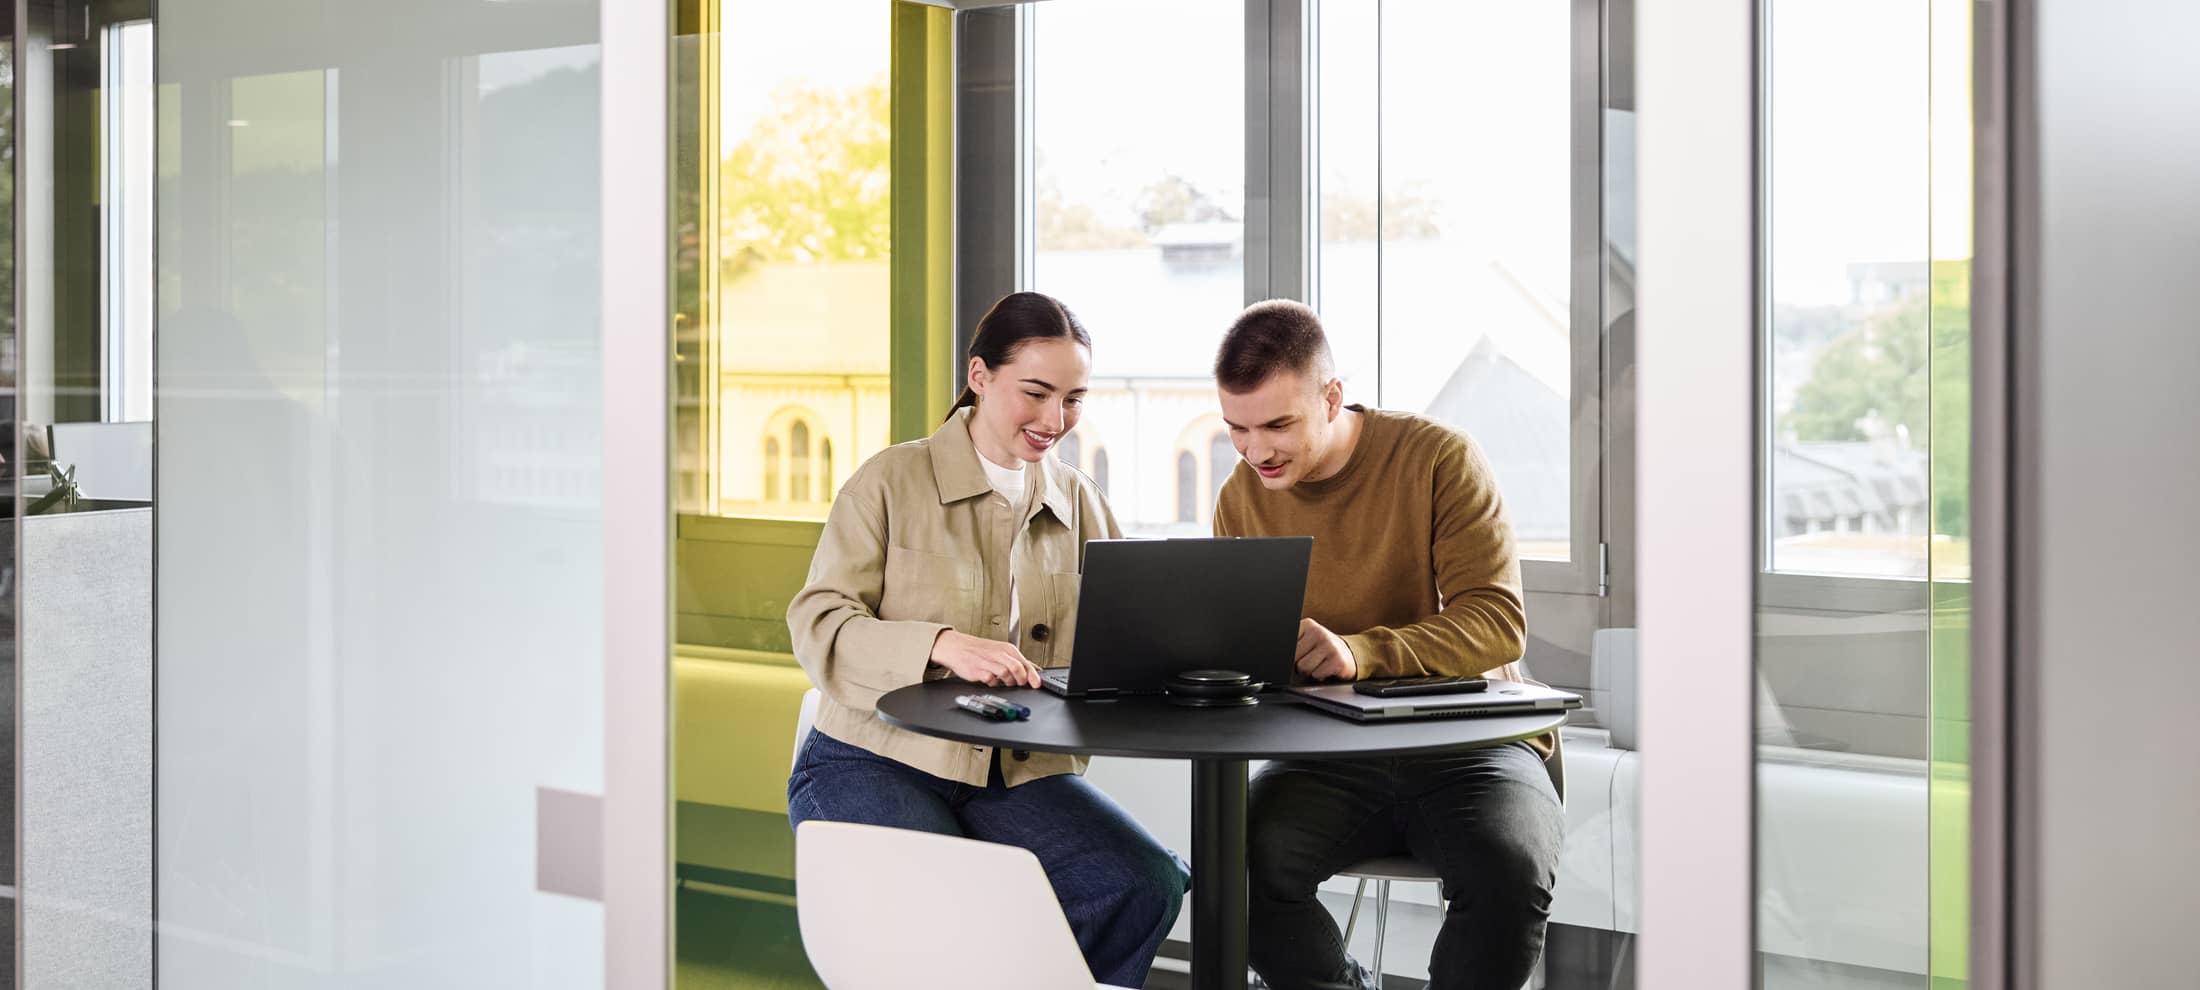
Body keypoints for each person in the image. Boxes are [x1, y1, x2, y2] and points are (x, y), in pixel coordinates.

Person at [785, 291, 1188, 987]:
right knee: (956, 910)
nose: (1054, 420)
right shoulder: (889, 481)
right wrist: (939, 643)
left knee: (1140, 880)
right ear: (979, 376)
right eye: (1036, 393)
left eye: (1073, 399)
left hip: (1013, 770)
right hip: (869, 760)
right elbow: (818, 622)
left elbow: (1128, 635)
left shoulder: (1082, 503)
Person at [1211, 300, 1563, 990]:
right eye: (1237, 429)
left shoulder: (1439, 458)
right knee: (1228, 867)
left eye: (1278, 424)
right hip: (1329, 755)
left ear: (1332, 396)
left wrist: (1360, 652)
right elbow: (1246, 642)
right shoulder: (1241, 497)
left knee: (1509, 871)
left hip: (1473, 745)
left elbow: (1496, 620)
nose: (1257, 451)